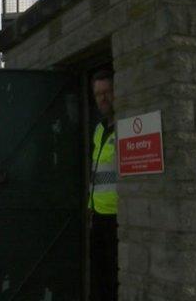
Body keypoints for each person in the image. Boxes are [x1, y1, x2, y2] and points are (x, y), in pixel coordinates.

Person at [89, 69, 118, 301]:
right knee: (99, 277)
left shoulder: (124, 127)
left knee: (112, 279)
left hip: (117, 216)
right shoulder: (99, 130)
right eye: (98, 94)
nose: (103, 98)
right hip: (98, 214)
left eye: (107, 92)